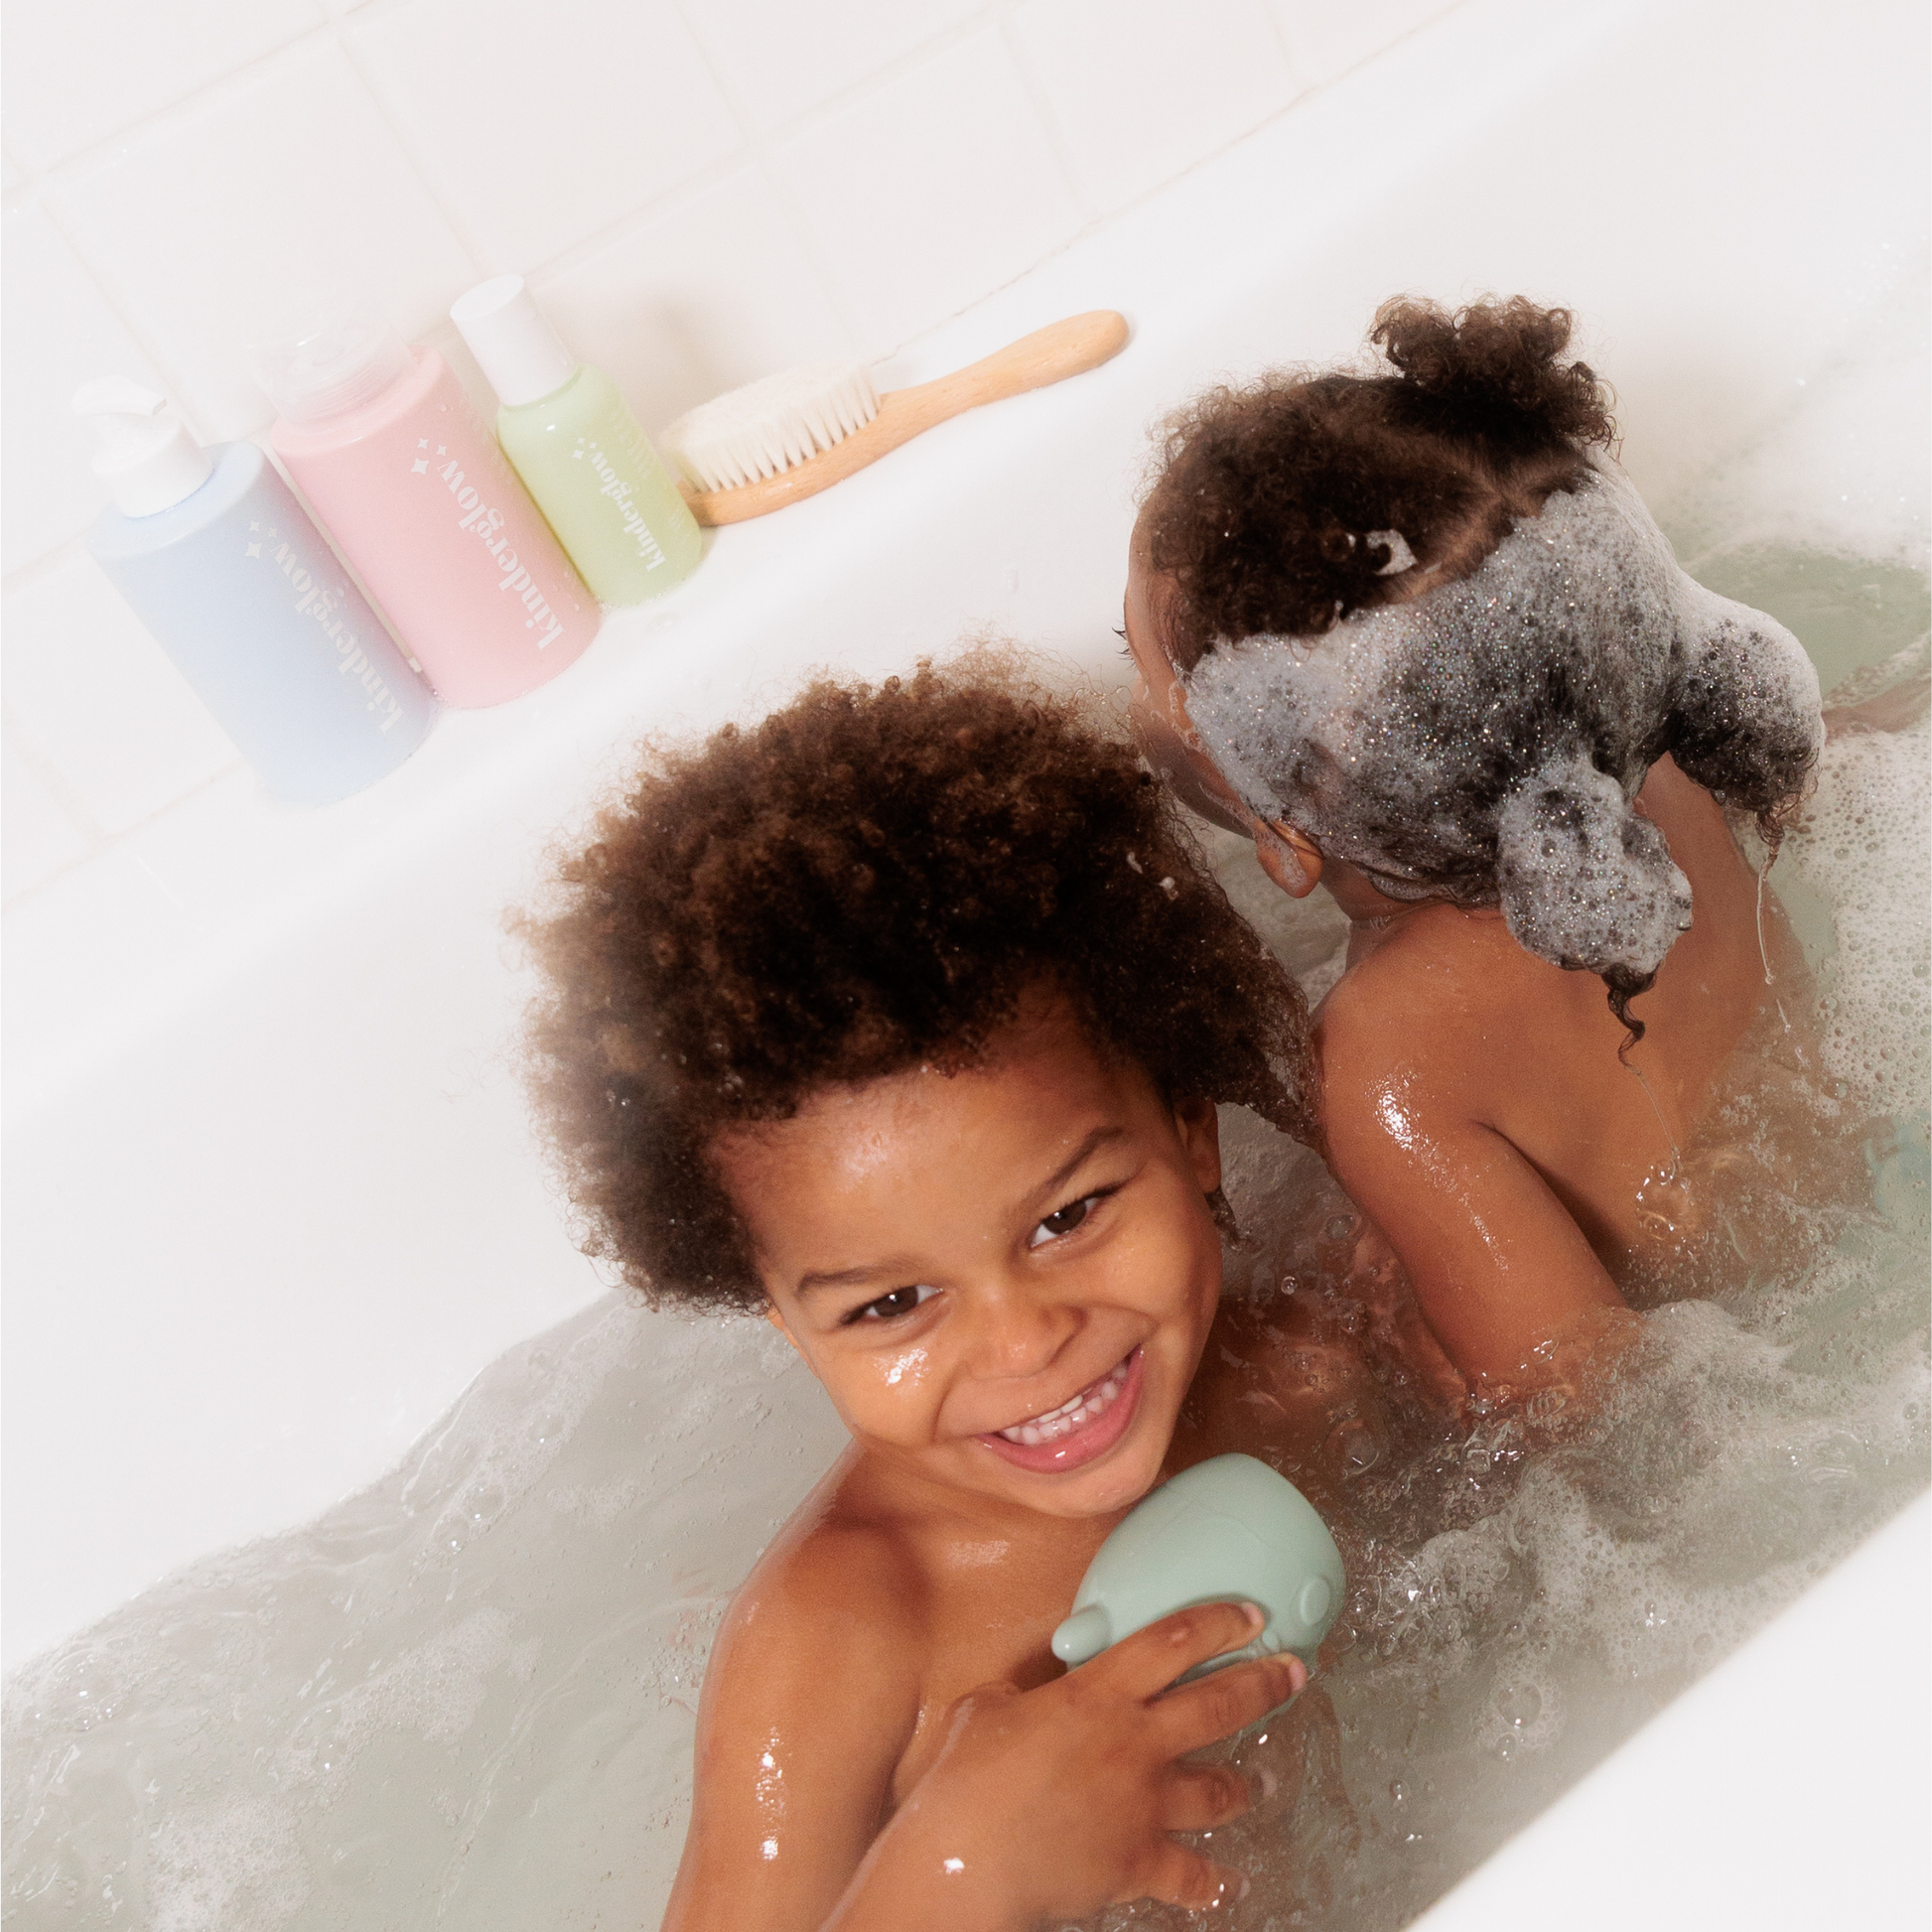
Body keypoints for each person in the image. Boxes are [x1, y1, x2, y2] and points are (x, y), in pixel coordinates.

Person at [520, 660, 1373, 1930]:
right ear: (784, 1324)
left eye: (1067, 1216)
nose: (1026, 1341)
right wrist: (955, 1870)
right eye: (888, 1304)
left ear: (1191, 1131)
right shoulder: (840, 1638)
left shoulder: (1274, 1364)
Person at [1122, 296, 1824, 1403]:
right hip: (1830, 1190)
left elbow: (1589, 1404)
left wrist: (1414, 1322)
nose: (1130, 695)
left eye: (1137, 663)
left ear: (1279, 833)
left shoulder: (1386, 1059)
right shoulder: (1660, 776)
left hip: (1733, 1373)